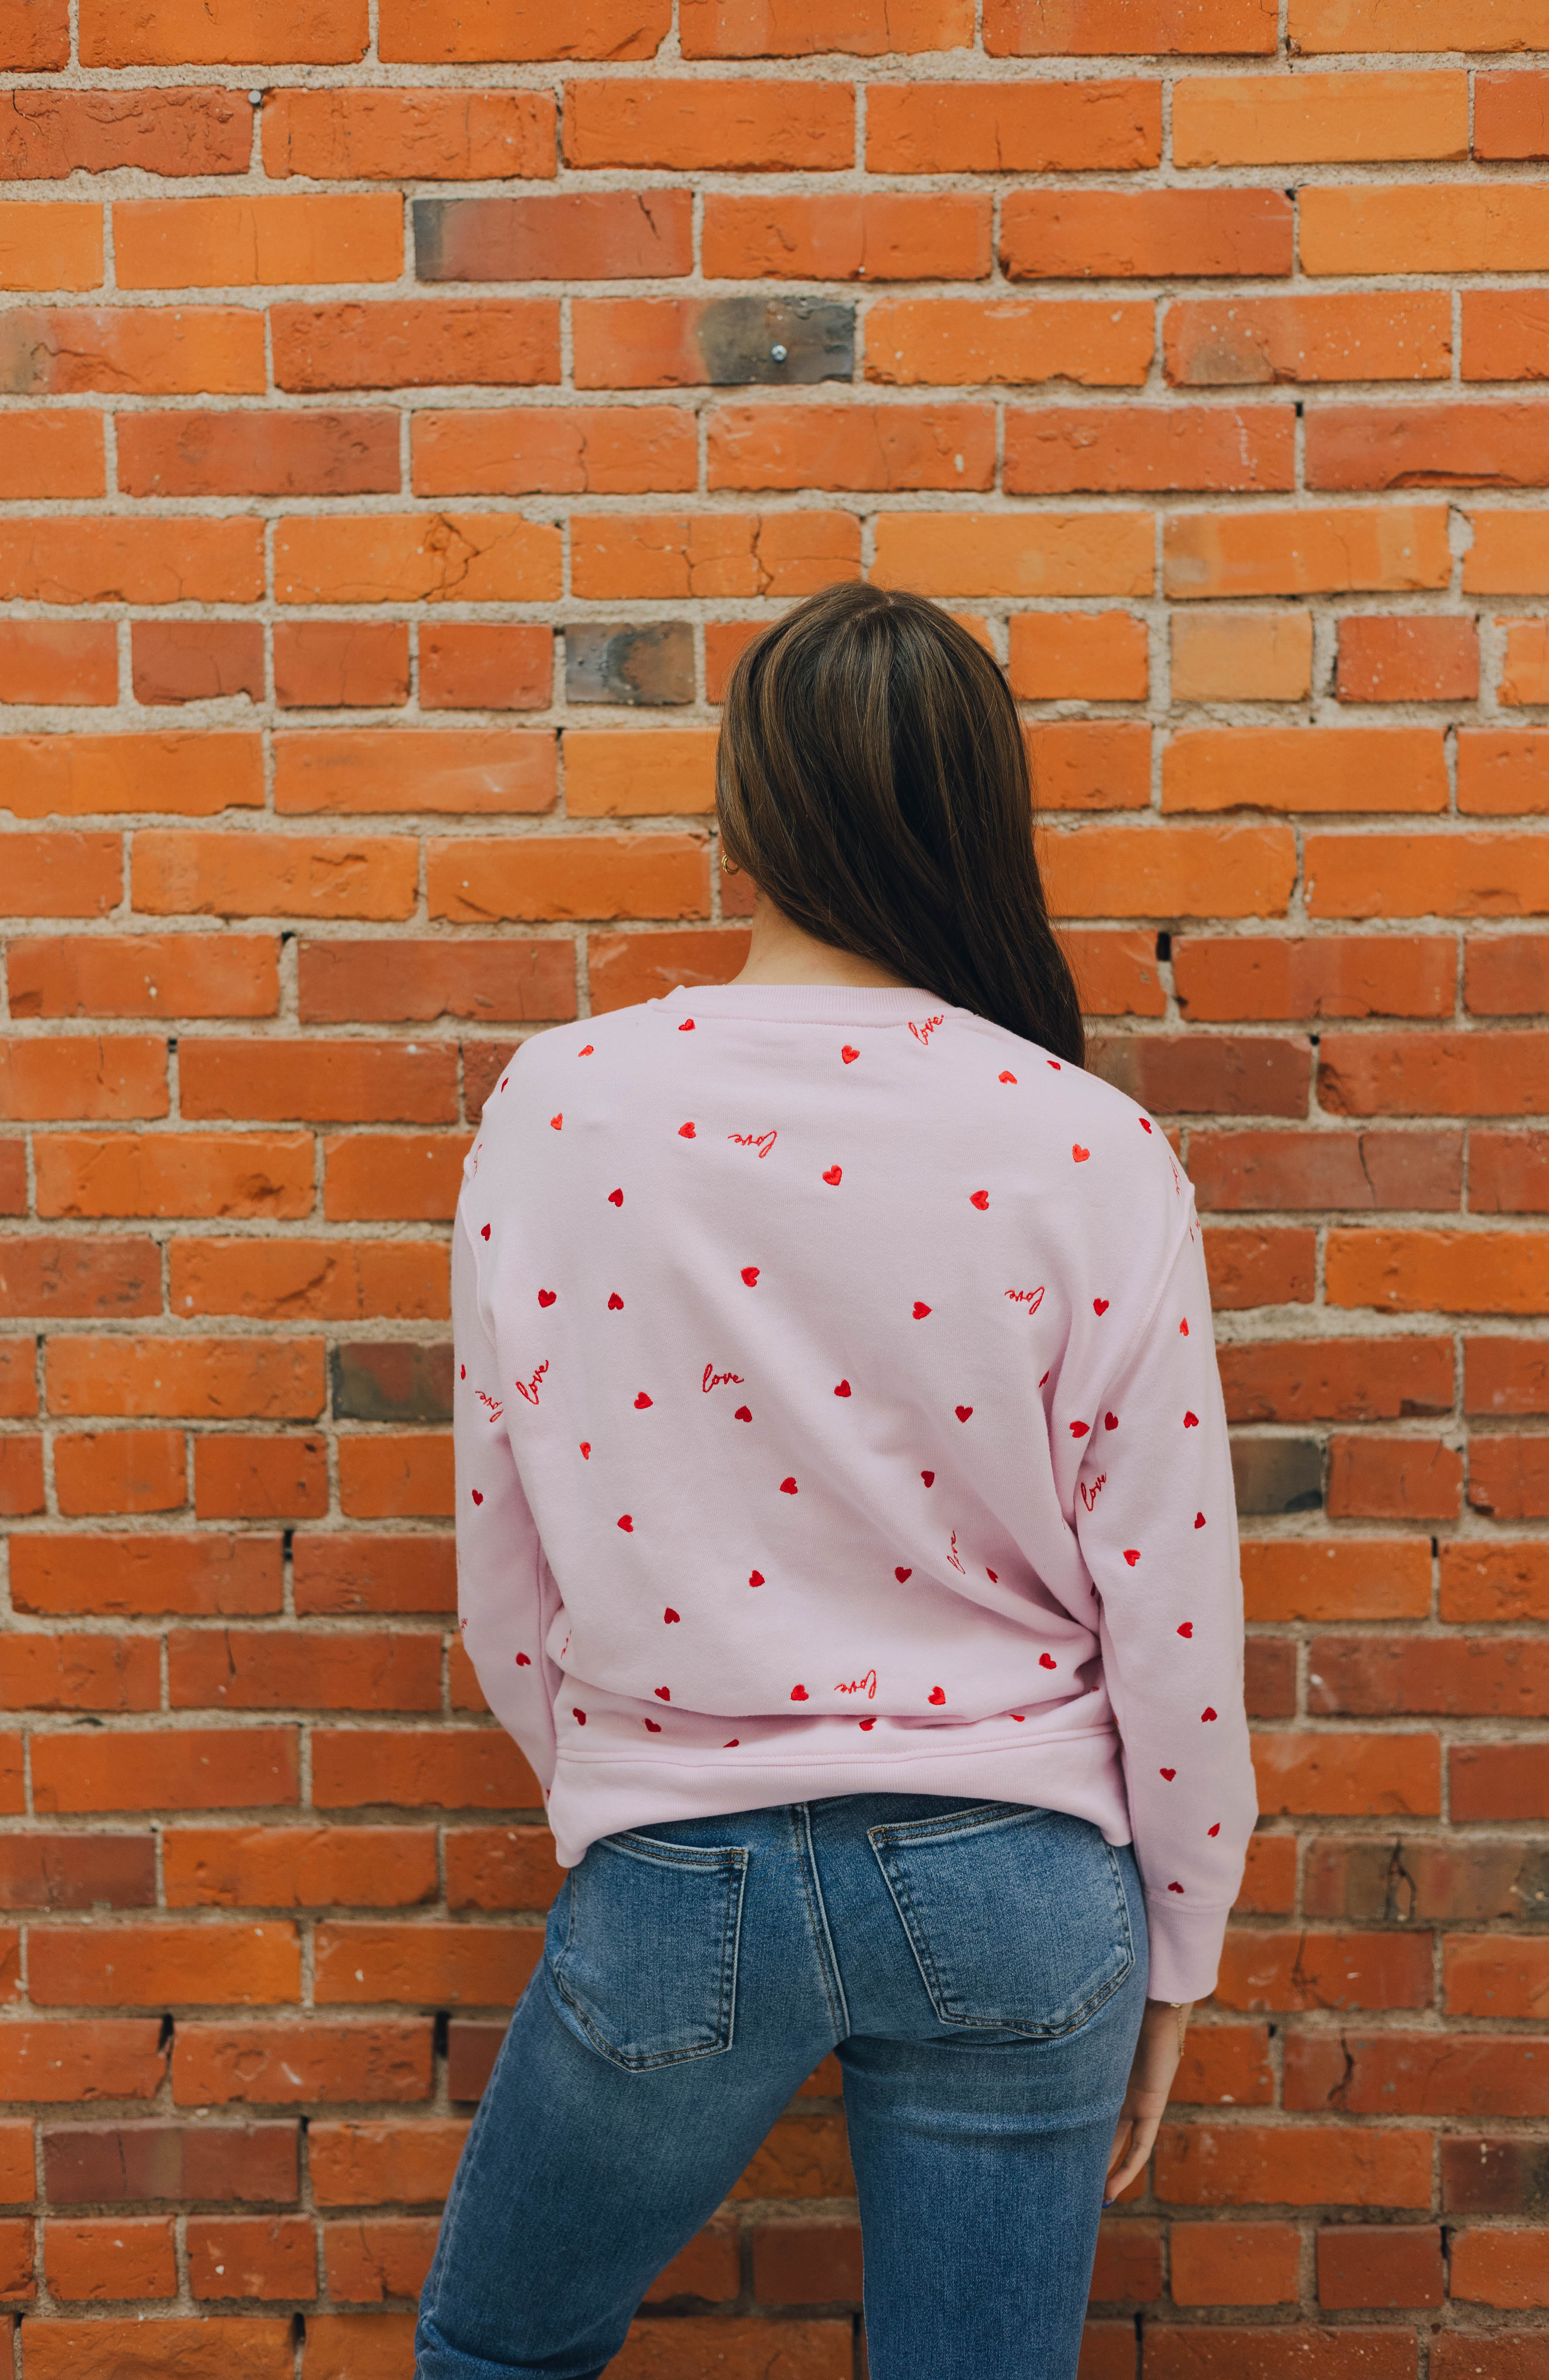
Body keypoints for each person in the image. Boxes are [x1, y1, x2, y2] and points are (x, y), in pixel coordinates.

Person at [416, 582, 1258, 2380]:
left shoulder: (563, 1108)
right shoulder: (1084, 1141)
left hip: (678, 1857)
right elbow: (1172, 1588)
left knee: (502, 2351)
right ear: (980, 814)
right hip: (1023, 1875)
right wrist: (1183, 1936)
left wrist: (628, 1788)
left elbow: (505, 1557)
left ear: (739, 814)